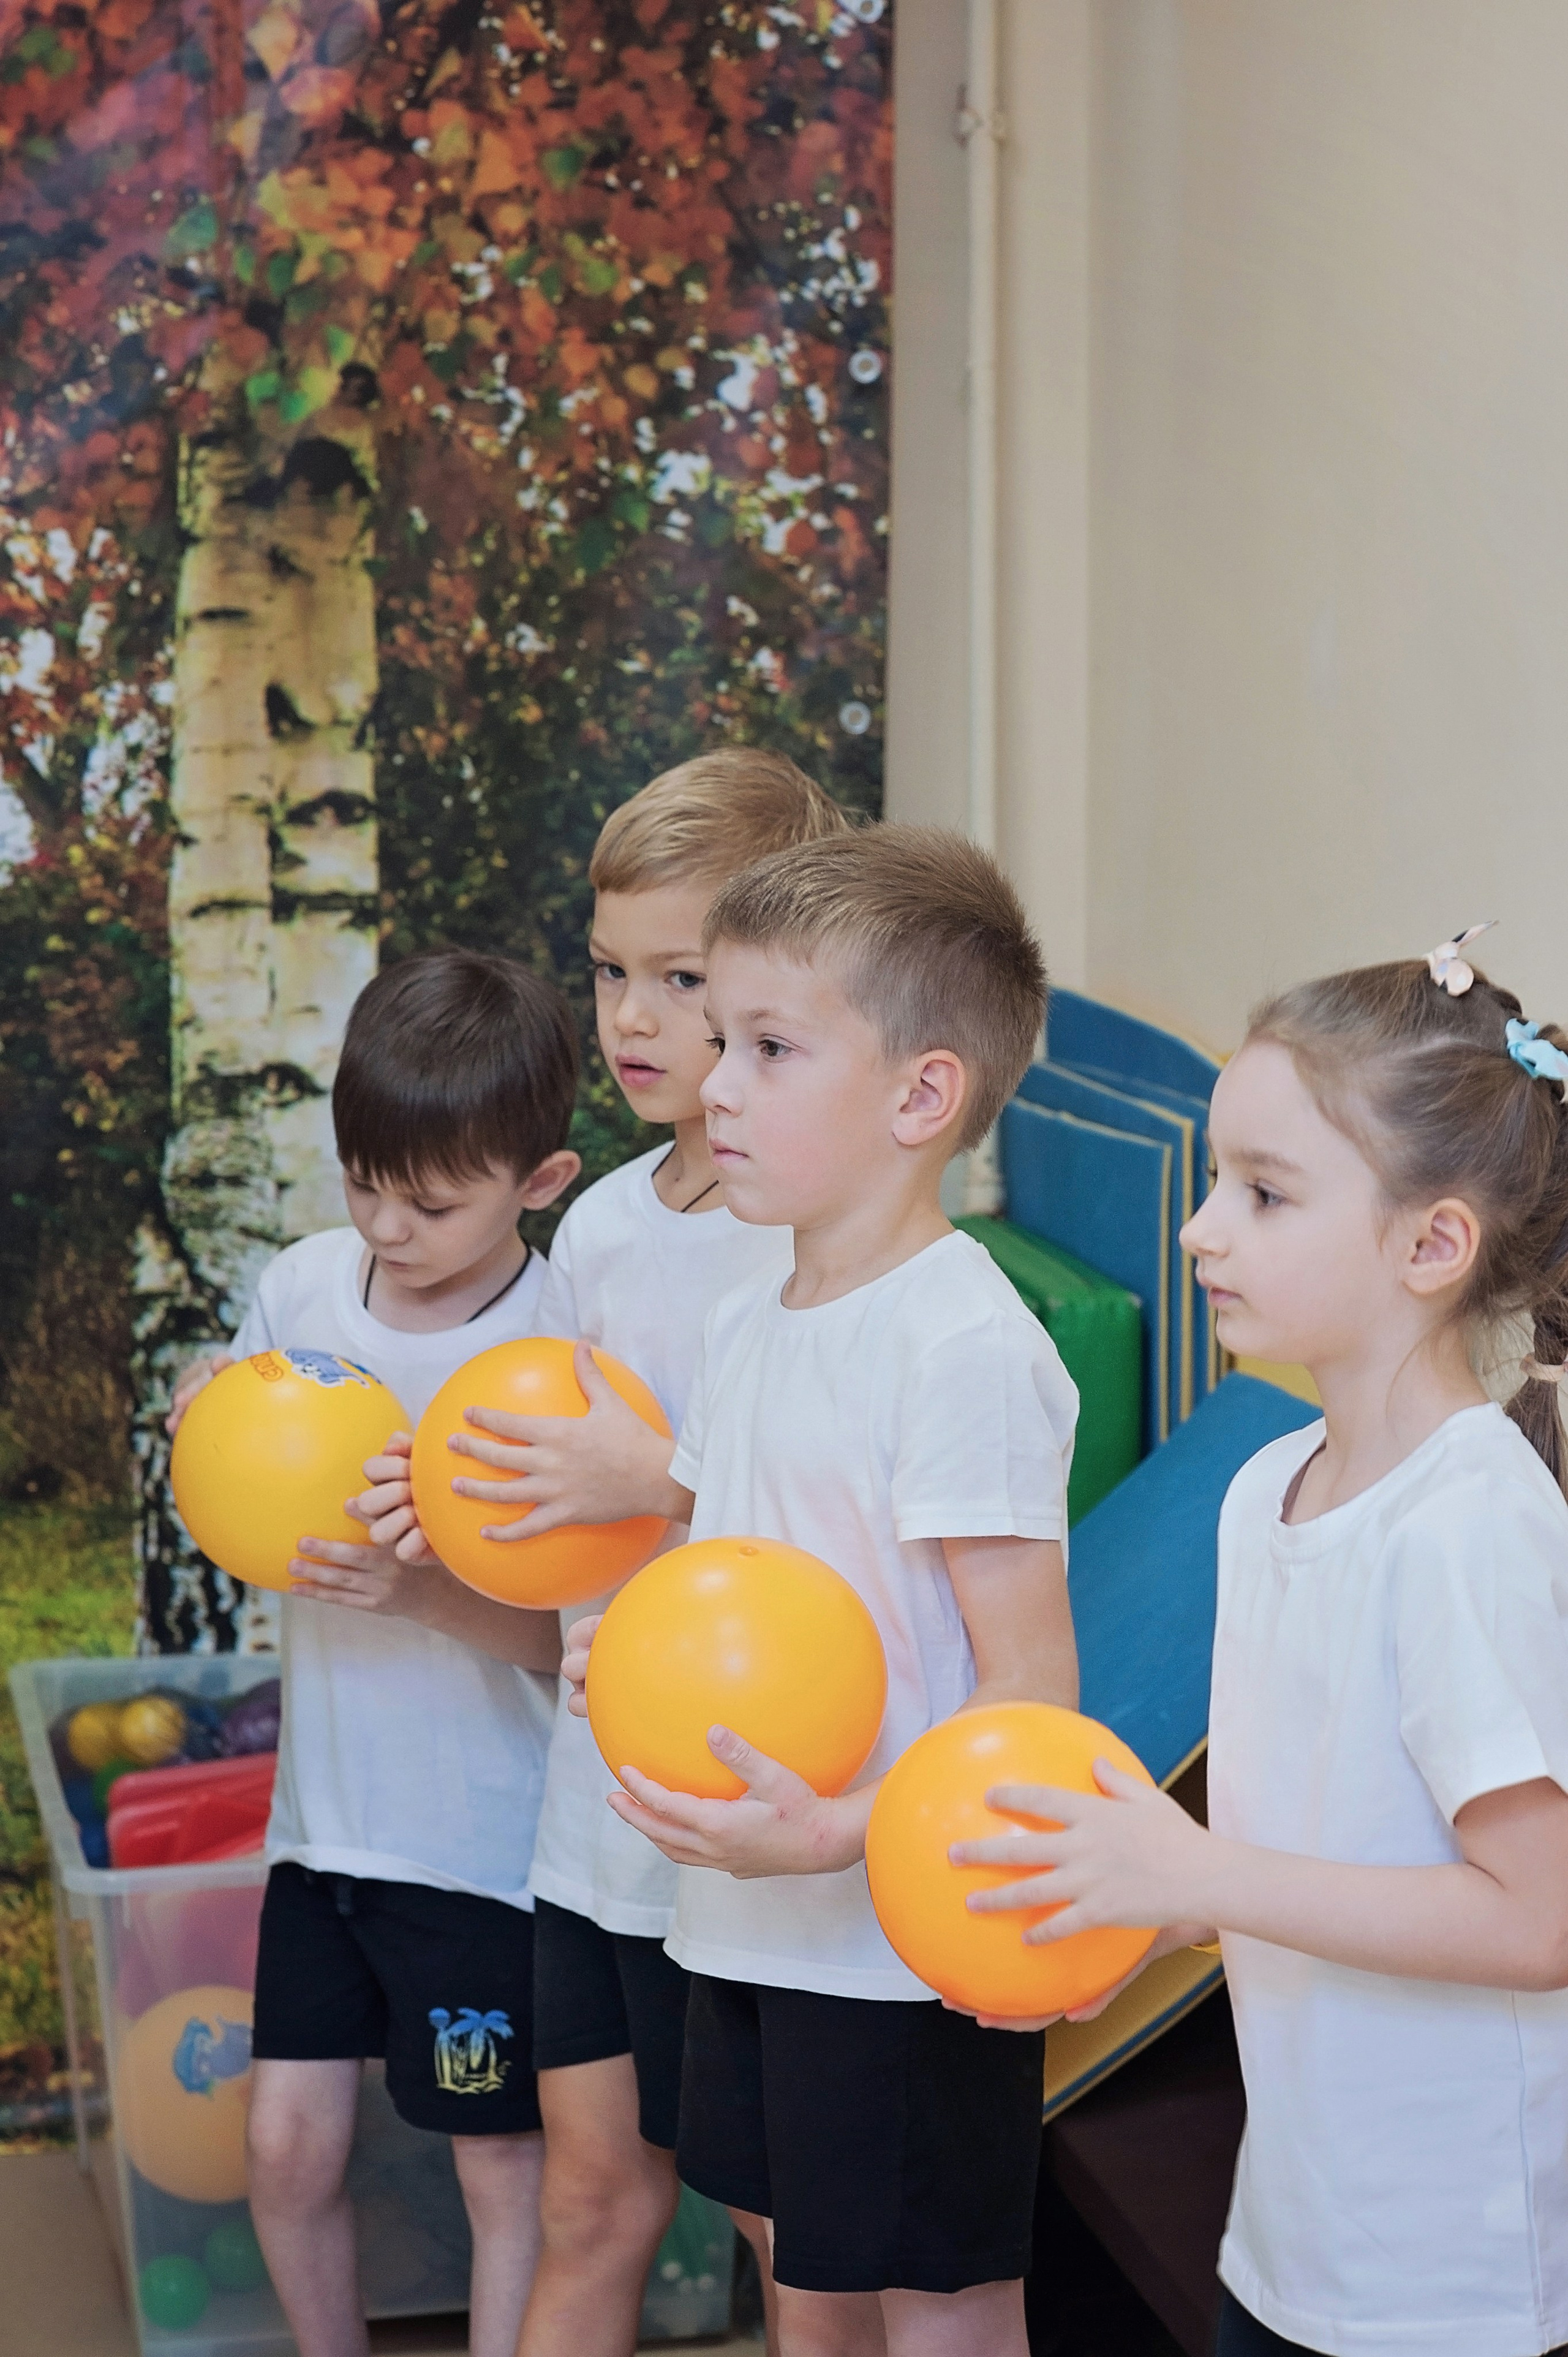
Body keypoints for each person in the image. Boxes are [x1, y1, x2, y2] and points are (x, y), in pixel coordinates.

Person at [951, 934, 1568, 2357]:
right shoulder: (1258, 1489)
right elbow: (1327, 1848)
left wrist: (1199, 1871)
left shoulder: (1471, 1519)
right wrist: (1150, 1914)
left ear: (1430, 1244)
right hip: (1291, 2235)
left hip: (1446, 2289)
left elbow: (1537, 1920)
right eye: (1215, 1178)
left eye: (1263, 1193)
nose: (1197, 1230)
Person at [559, 825, 1081, 2357]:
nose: (713, 1081)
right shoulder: (751, 1320)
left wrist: (837, 1832)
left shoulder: (962, 1346)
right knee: (801, 2281)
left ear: (921, 1094)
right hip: (742, 1925)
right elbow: (731, 1586)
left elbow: (1028, 1698)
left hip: (895, 1943)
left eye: (769, 1046)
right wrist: (633, 1660)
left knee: (939, 2309)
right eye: (721, 1037)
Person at [364, 749, 850, 2357]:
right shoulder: (611, 1229)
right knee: (593, 2201)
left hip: (742, 1815)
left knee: (795, 2236)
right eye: (610, 974)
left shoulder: (820, 1236)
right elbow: (570, 1567)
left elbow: (841, 1544)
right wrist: (443, 1537)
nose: (631, 1019)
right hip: (596, 1830)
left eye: (682, 979)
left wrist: (660, 1474)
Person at [165, 951, 581, 2357]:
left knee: (501, 2167)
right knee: (281, 2149)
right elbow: (232, 1465)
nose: (386, 1227)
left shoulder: (556, 1349)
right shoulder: (299, 1291)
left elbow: (569, 1646)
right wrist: (194, 1414)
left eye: (431, 1200)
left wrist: (419, 1588)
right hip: (322, 1835)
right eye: (362, 1182)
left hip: (480, 1854)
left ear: (540, 1180)